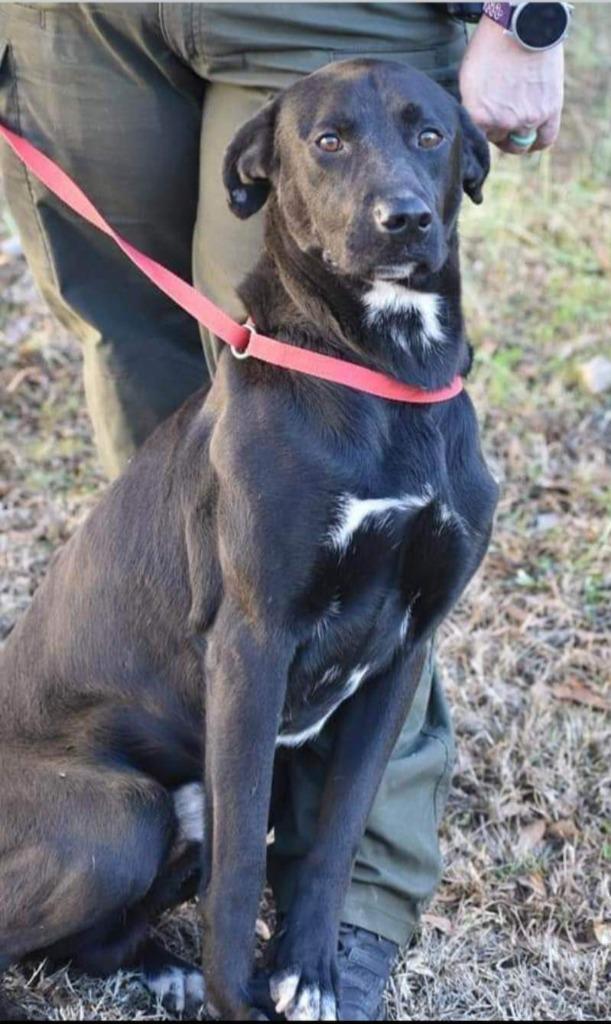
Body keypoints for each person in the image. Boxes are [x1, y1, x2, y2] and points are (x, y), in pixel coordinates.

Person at [0, 4, 566, 1019]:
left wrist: (526, 22)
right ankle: (186, 925)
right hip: (73, 24)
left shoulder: (448, 444)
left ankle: (336, 917)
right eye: (336, 145)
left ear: (459, 172)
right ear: (275, 166)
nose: (395, 186)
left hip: (319, 7)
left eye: (422, 144)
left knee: (348, 599)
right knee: (139, 354)